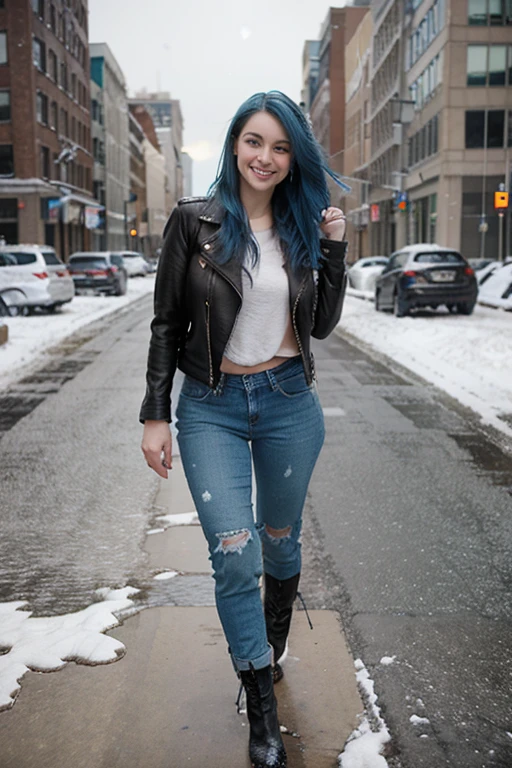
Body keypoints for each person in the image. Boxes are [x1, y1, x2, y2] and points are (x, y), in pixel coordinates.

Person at [140, 90, 347, 768]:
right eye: (256, 141)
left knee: (280, 547)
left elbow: (318, 325)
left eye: (282, 147)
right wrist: (154, 413)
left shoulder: (301, 225)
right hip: (212, 406)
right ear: (235, 145)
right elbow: (167, 322)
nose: (266, 156)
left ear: (294, 159)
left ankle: (274, 642)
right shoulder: (193, 224)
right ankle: (260, 703)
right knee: (235, 551)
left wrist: (334, 251)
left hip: (289, 402)